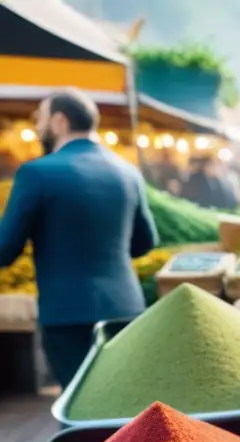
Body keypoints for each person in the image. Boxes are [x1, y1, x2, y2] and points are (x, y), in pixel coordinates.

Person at [0, 89, 157, 388]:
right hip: (125, 309)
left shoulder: (36, 173)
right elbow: (145, 243)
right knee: (121, 406)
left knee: (78, 412)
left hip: (66, 314)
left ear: (60, 121)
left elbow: (6, 248)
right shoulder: (127, 171)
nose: (37, 127)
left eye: (41, 119)